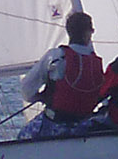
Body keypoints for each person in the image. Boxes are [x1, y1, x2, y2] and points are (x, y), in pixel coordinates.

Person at [17, 11, 103, 140]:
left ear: (68, 31)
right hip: (84, 127)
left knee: (21, 137)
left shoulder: (56, 56)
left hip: (55, 124)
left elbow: (26, 89)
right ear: (88, 33)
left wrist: (39, 97)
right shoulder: (96, 62)